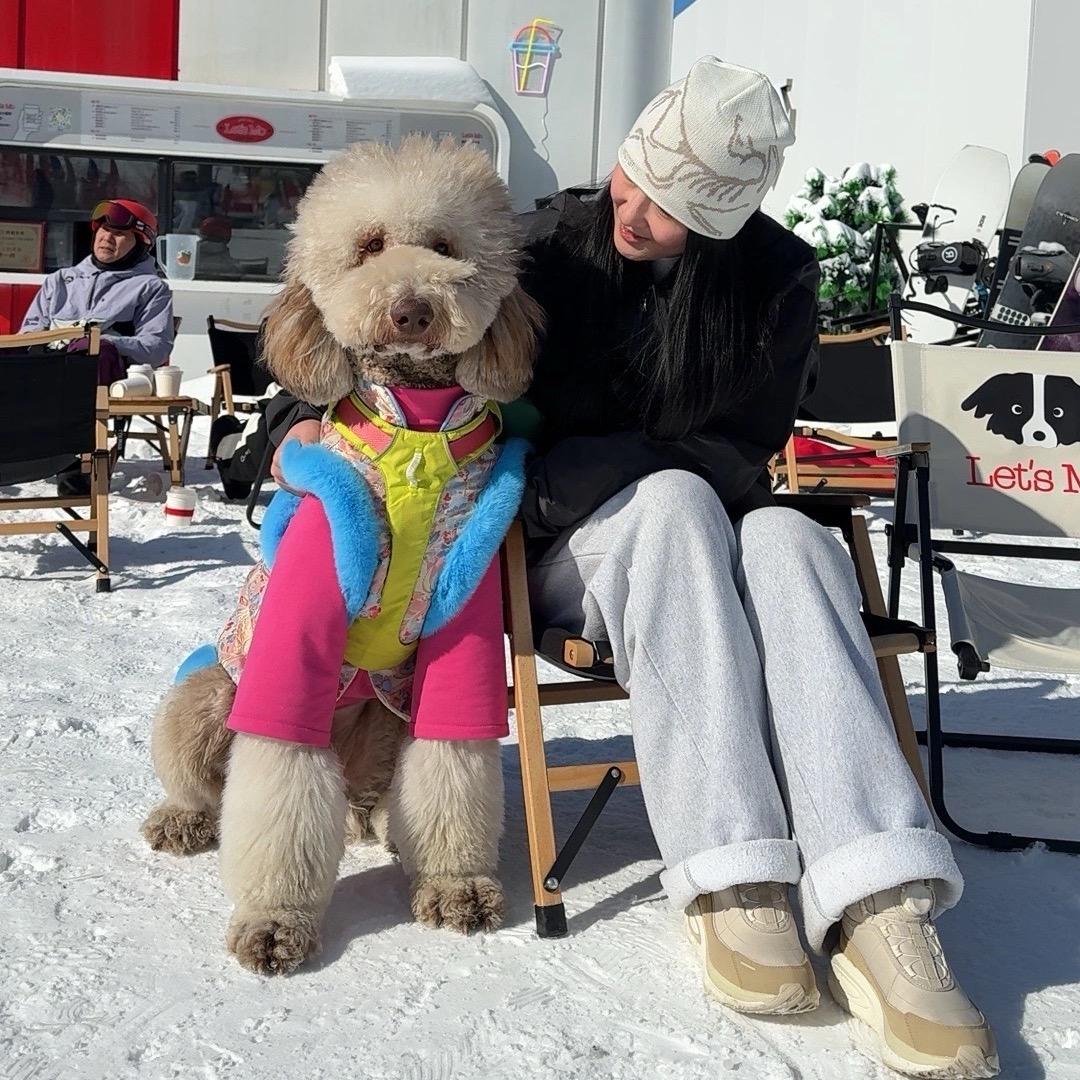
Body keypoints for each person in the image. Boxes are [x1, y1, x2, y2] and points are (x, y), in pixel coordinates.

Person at [262, 59, 997, 1079]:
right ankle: (735, 875)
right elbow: (372, 332)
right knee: (675, 502)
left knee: (788, 538)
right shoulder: (553, 247)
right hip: (569, 539)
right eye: (635, 179)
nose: (640, 213)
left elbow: (746, 449)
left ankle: (881, 898)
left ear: (730, 220)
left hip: (705, 533)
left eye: (677, 207)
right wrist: (297, 421)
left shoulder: (773, 280)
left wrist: (684, 471)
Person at [21, 198, 174, 379]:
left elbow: (156, 348)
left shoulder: (150, 288)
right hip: (46, 374)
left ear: (140, 244)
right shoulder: (60, 280)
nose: (107, 238)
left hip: (105, 384)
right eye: (104, 229)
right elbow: (27, 335)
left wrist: (102, 341)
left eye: (118, 233)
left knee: (97, 350)